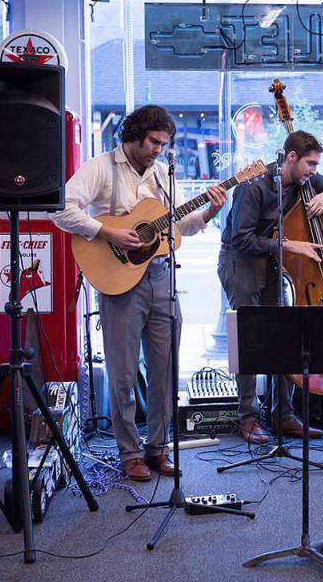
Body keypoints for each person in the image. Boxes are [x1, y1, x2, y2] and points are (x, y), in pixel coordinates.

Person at [52, 105, 226, 481]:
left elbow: (181, 226)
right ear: (133, 135)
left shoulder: (162, 175)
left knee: (166, 369)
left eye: (164, 144)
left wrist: (209, 213)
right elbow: (60, 208)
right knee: (123, 373)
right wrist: (107, 232)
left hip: (161, 277)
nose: (158, 150)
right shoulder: (101, 168)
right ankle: (130, 452)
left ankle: (158, 448)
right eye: (153, 142)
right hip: (119, 281)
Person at [219, 130, 323, 444]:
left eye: (316, 165)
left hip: (273, 260)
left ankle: (283, 415)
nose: (314, 171)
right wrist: (289, 245)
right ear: (291, 157)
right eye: (310, 164)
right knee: (250, 338)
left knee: (284, 336)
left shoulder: (307, 180)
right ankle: (248, 418)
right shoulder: (253, 186)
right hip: (241, 260)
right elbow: (241, 238)